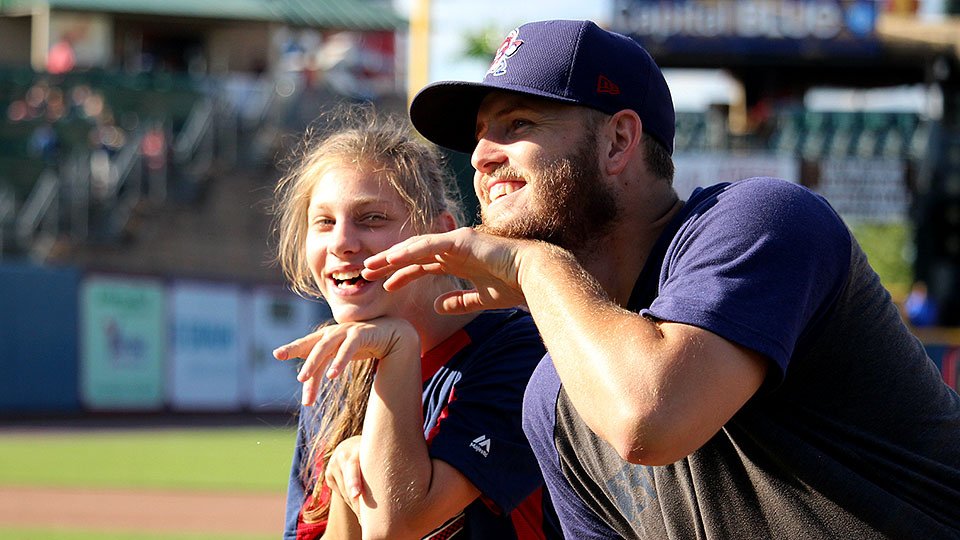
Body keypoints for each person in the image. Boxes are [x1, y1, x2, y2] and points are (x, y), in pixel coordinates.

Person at [361, 19, 960, 539]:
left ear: (620, 140)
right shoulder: (553, 394)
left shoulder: (763, 221)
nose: (481, 156)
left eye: (517, 124)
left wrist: (533, 265)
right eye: (479, 136)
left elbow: (648, 417)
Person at [271, 106, 558, 539]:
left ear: (439, 232)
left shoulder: (521, 353)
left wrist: (399, 347)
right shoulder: (337, 371)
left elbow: (396, 525)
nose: (342, 243)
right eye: (324, 222)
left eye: (372, 218)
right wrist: (343, 490)